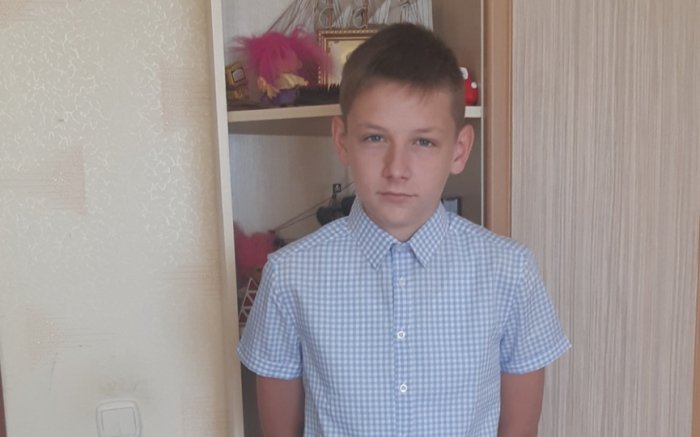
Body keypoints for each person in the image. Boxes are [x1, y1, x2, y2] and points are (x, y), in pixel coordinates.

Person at [237, 22, 570, 437]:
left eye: (423, 142)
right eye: (375, 138)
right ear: (342, 140)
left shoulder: (511, 273)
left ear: (459, 150)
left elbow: (519, 429)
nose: (397, 169)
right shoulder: (289, 276)